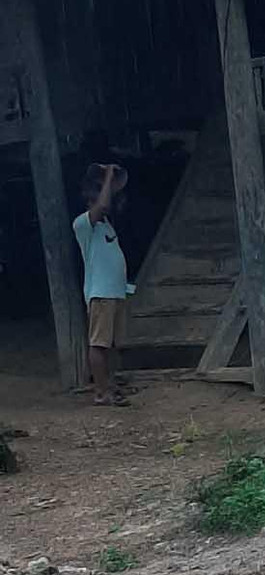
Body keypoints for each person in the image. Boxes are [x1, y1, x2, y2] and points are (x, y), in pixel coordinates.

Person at [72, 164, 132, 407]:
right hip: (101, 293)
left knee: (114, 344)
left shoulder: (106, 225)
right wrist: (108, 175)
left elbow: (109, 203)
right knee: (98, 344)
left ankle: (110, 386)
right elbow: (104, 204)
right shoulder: (82, 224)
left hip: (115, 292)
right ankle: (101, 392)